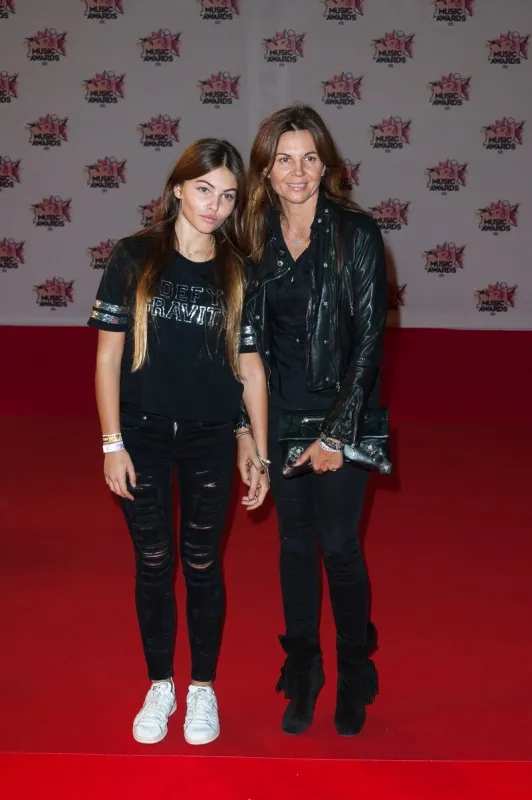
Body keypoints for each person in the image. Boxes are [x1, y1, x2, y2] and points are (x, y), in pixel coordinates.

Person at [88, 139, 269, 746]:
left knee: (200, 561)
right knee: (153, 560)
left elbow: (248, 367)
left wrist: (256, 444)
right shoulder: (134, 256)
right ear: (176, 188)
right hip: (140, 434)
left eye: (227, 195)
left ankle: (202, 690)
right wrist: (112, 442)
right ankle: (160, 682)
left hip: (210, 437)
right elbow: (108, 358)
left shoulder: (239, 269)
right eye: (203, 190)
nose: (215, 206)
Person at [237, 105, 387, 736]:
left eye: (308, 157)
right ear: (266, 170)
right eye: (283, 159)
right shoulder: (249, 235)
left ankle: (356, 668)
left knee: (339, 547)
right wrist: (244, 430)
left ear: (326, 164)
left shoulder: (357, 233)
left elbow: (370, 343)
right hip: (277, 413)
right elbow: (238, 341)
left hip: (340, 414)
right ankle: (304, 671)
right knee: (293, 548)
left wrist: (335, 435)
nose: (296, 171)